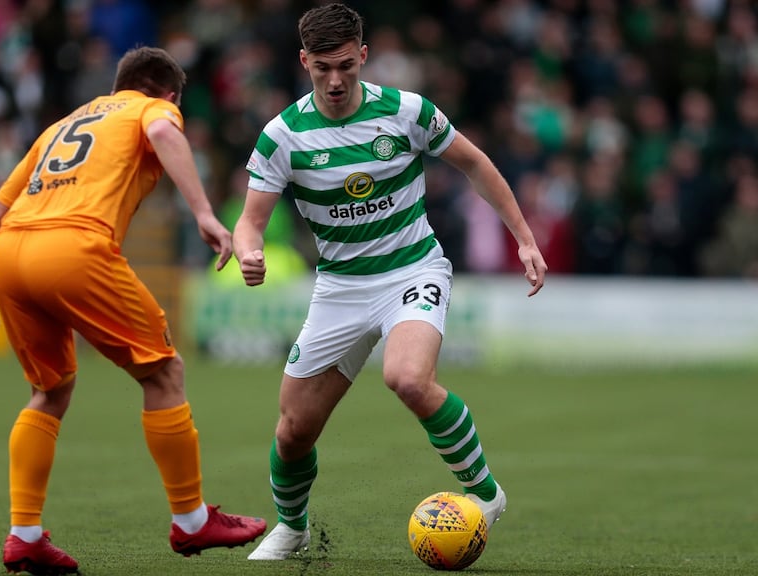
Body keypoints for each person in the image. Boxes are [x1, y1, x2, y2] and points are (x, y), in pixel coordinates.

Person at [233, 3, 548, 561]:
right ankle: (293, 528)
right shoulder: (282, 135)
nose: (335, 81)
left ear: (364, 56)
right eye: (322, 68)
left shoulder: (407, 112)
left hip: (411, 269)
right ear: (304, 60)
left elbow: (475, 163)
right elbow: (251, 221)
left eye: (346, 67)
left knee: (406, 378)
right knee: (292, 430)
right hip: (340, 288)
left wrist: (522, 236)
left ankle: (486, 494)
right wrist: (249, 251)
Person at [0, 46, 266, 575]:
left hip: (8, 254)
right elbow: (167, 135)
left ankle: (24, 534)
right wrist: (205, 215)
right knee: (164, 371)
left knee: (49, 390)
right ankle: (191, 520)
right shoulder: (152, 109)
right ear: (168, 93)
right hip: (73, 248)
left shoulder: (61, 125)